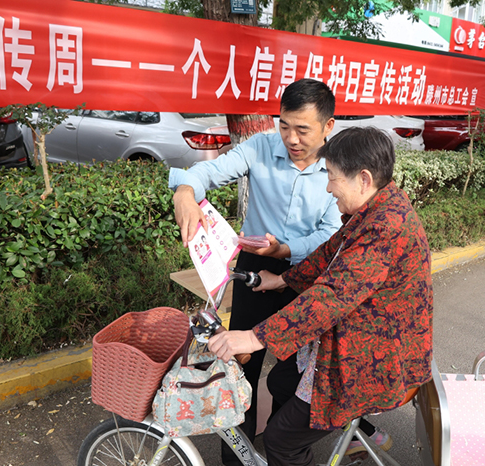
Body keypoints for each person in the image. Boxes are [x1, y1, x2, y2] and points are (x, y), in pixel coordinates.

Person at [208, 126, 434, 466]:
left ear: (363, 178)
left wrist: (256, 337)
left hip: (376, 359)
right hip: (367, 340)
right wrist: (282, 279)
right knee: (283, 381)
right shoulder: (378, 207)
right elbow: (330, 253)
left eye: (332, 178)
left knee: (280, 440)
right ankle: (330, 433)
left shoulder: (386, 227)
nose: (328, 188)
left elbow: (331, 297)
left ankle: (301, 445)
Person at [169, 79, 343, 464]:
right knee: (238, 368)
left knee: (292, 377)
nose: (291, 139)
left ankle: (282, 449)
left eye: (303, 129)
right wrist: (185, 191)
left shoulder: (338, 165)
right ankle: (237, 459)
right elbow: (207, 174)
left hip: (305, 276)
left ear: (328, 127)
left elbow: (330, 234)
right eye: (284, 125)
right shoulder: (262, 147)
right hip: (254, 270)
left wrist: (287, 248)